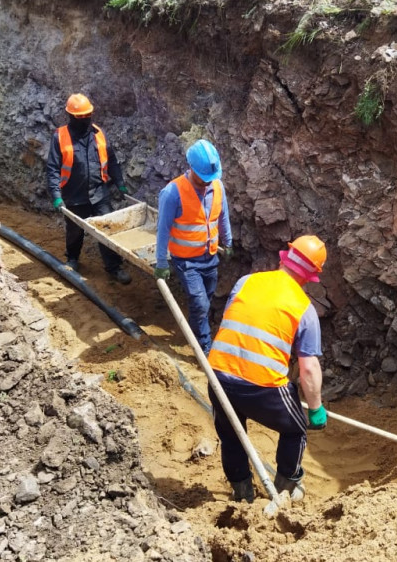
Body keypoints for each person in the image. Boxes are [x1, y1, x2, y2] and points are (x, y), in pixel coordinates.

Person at [206, 235, 329, 503]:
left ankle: (242, 490)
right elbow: (308, 369)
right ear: (311, 277)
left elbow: (232, 321)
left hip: (217, 375)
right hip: (260, 387)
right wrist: (316, 408)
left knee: (231, 433)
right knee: (296, 428)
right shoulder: (304, 309)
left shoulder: (246, 282)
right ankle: (287, 484)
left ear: (284, 258)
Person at [154, 139, 232, 353]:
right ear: (191, 168)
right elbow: (163, 229)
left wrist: (229, 241)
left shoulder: (217, 186)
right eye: (204, 177)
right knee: (199, 303)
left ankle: (196, 329)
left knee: (205, 300)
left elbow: (222, 216)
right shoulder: (173, 193)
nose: (208, 182)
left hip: (210, 257)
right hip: (186, 262)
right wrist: (161, 261)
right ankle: (204, 346)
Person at [46, 93, 132, 284]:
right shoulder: (60, 137)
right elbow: (52, 168)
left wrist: (119, 182)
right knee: (75, 230)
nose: (85, 119)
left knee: (106, 228)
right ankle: (73, 258)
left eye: (87, 115)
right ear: (71, 116)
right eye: (81, 116)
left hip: (99, 192)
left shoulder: (98, 134)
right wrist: (56, 195)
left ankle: (114, 267)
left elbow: (112, 160)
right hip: (74, 194)